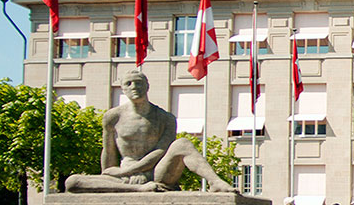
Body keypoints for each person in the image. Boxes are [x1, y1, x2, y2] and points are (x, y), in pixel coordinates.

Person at [65, 70, 235, 193]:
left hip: (156, 172)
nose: (134, 87)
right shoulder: (113, 117)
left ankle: (215, 182)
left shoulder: (165, 118)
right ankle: (137, 190)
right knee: (72, 182)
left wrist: (128, 171)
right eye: (128, 84)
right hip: (123, 176)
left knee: (182, 144)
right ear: (123, 89)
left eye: (138, 83)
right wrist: (112, 173)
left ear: (147, 86)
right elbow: (108, 153)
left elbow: (161, 151)